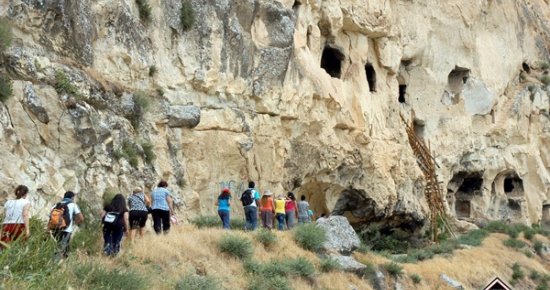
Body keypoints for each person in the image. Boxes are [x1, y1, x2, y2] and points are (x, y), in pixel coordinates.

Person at [53, 191, 84, 259]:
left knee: (62, 245)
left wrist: (48, 230)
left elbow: (51, 218)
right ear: (72, 197)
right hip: (66, 229)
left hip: (55, 228)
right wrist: (74, 223)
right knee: (61, 246)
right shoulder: (73, 205)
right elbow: (81, 218)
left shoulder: (56, 205)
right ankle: (55, 263)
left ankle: (63, 262)